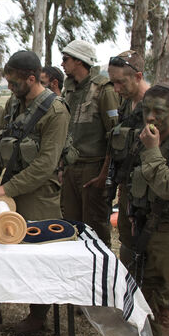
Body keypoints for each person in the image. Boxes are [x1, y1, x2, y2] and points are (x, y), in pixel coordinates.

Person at [0, 51, 70, 332]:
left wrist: (5, 188)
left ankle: (37, 318)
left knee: (36, 255)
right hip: (5, 190)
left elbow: (46, 165)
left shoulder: (56, 111)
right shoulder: (13, 103)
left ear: (32, 79)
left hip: (38, 194)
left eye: (13, 82)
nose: (9, 88)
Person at [126, 84, 169, 336]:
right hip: (149, 227)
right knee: (151, 292)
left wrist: (153, 151)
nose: (150, 118)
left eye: (159, 112)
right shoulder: (145, 139)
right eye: (146, 111)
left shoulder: (153, 144)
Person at [61, 40, 119, 247]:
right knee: (70, 226)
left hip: (94, 168)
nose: (62, 63)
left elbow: (114, 136)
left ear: (79, 61)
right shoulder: (68, 90)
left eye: (66, 59)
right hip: (70, 168)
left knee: (95, 227)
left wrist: (104, 174)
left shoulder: (104, 90)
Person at [106, 51, 149, 271]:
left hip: (149, 197)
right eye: (113, 83)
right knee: (127, 245)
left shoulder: (155, 107)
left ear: (138, 76)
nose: (116, 89)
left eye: (121, 82)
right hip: (127, 190)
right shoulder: (125, 105)